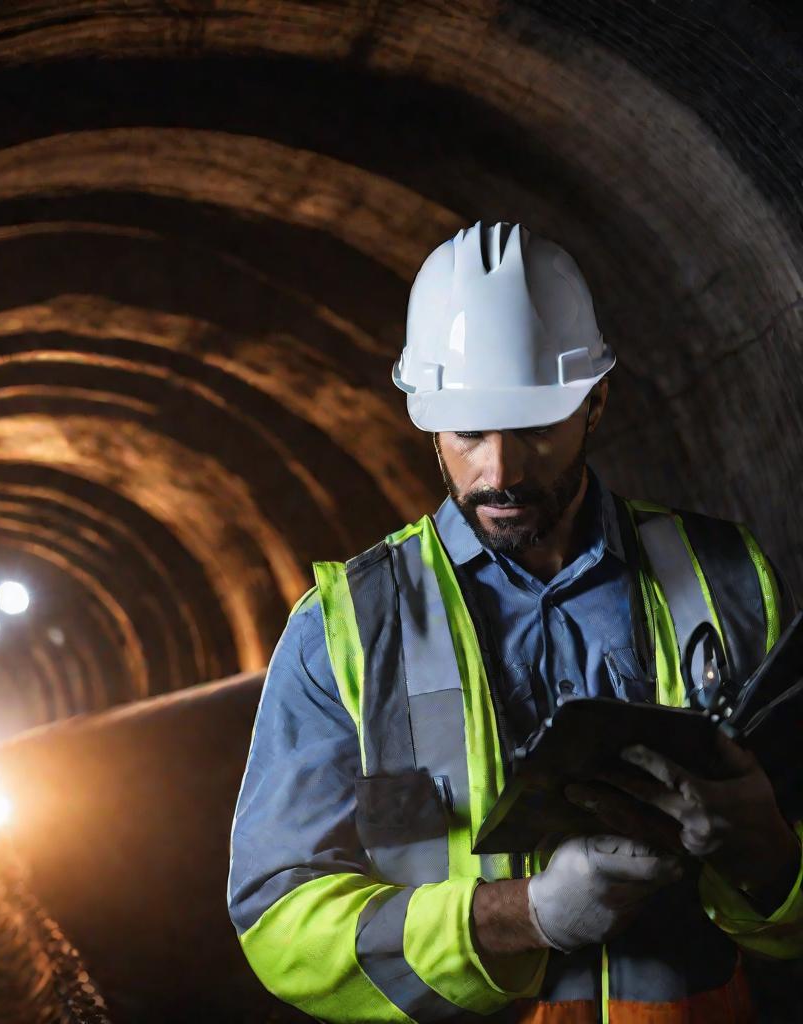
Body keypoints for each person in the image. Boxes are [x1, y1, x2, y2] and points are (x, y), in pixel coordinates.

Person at [226, 221, 803, 1023]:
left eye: (533, 428)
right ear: (428, 420)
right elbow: (280, 924)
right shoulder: (346, 628)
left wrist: (765, 854)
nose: (499, 470)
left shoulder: (727, 579)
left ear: (594, 401)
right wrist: (520, 915)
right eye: (468, 433)